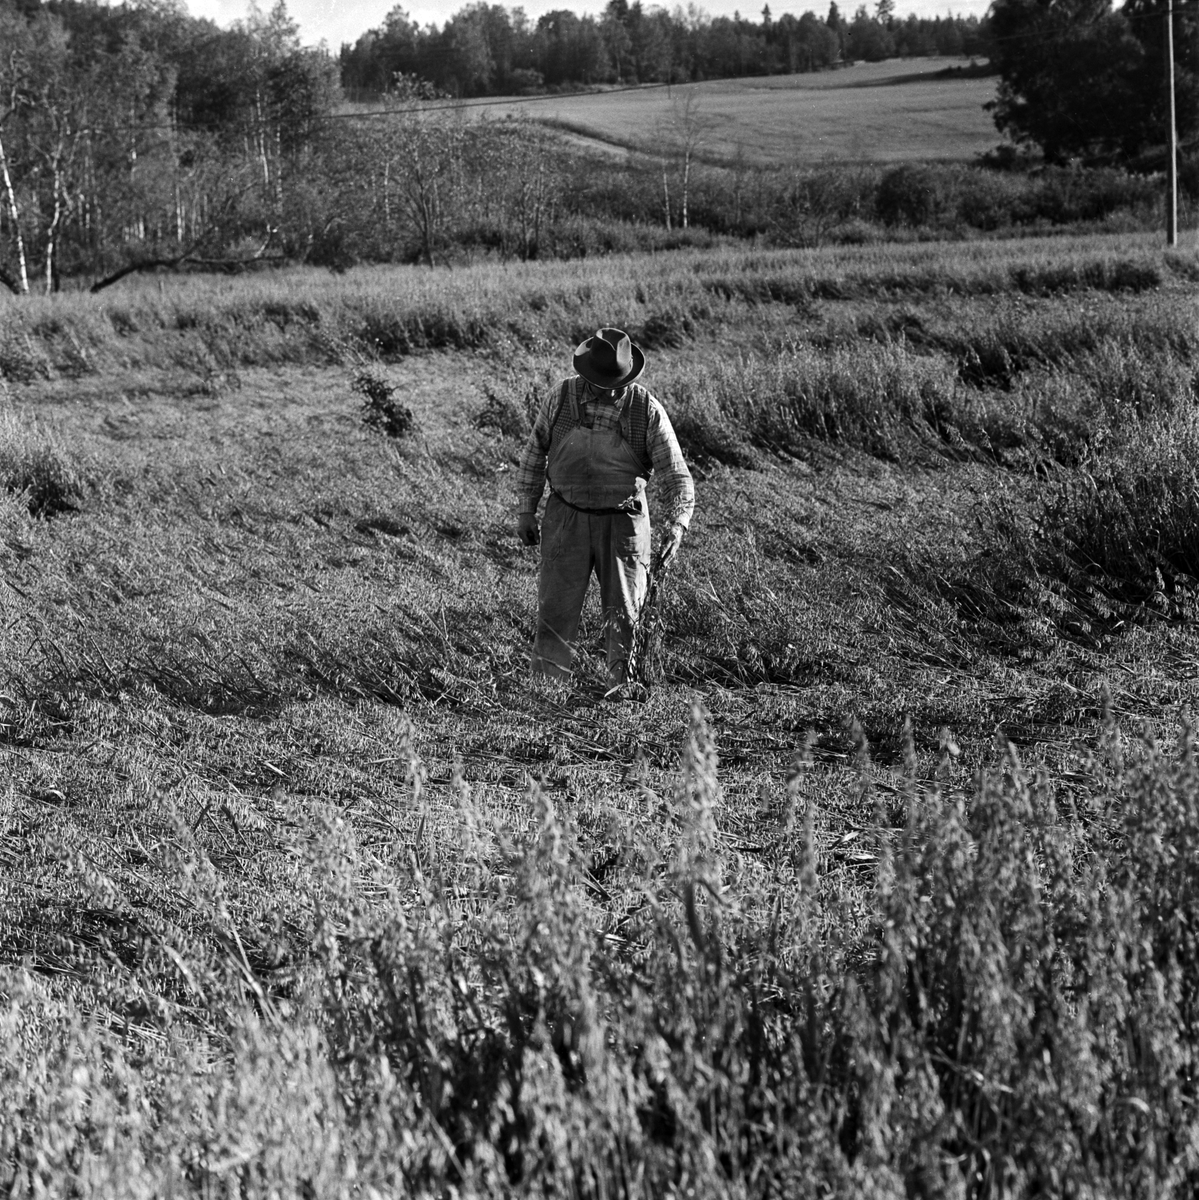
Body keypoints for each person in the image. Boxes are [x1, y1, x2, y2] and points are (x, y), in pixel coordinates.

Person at [515, 327, 695, 688]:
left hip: (623, 525)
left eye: (615, 381)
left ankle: (621, 694)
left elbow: (678, 476)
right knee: (554, 614)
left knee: (626, 617)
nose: (608, 389)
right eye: (600, 381)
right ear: (585, 372)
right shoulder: (561, 398)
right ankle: (547, 694)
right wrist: (525, 509)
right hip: (566, 519)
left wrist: (677, 524)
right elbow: (535, 453)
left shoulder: (646, 409)